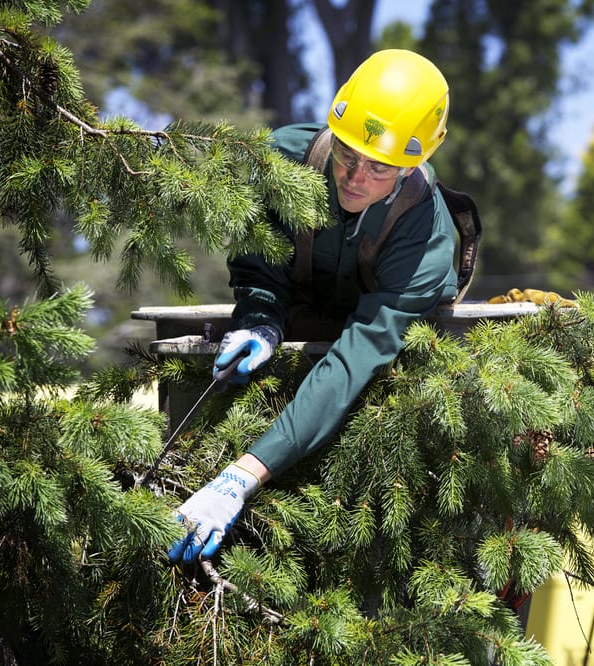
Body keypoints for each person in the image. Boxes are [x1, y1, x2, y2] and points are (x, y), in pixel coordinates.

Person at [168, 49, 458, 563]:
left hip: (382, 347)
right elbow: (260, 269)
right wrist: (259, 323)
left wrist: (241, 475)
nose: (354, 176)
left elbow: (353, 361)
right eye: (348, 154)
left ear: (412, 164)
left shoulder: (426, 238)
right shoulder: (285, 162)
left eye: (379, 168)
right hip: (299, 310)